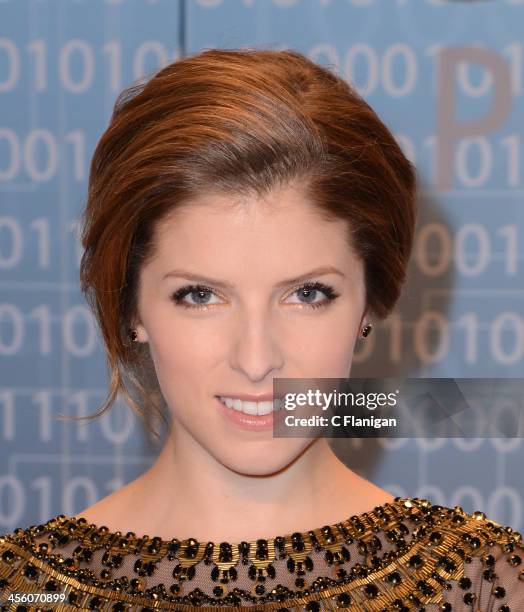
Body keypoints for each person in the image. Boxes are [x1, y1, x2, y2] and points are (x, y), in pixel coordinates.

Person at [1, 48, 522, 611]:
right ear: (131, 307)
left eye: (307, 294)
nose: (255, 359)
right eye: (199, 295)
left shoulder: (480, 586)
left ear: (372, 299)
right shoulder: (29, 592)